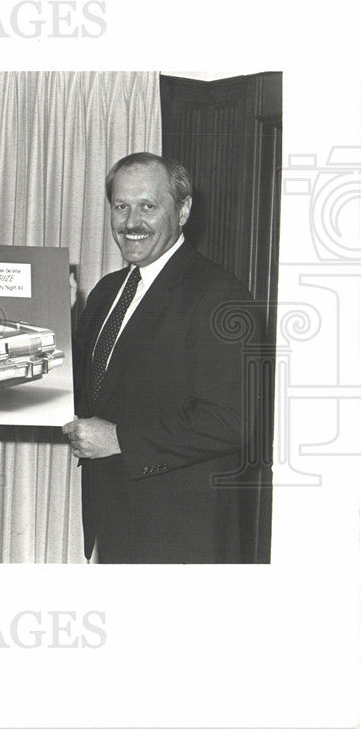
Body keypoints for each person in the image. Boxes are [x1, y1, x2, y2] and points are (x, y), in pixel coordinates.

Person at [62, 152, 255, 564]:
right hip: (115, 524)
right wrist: (55, 319)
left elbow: (231, 421)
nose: (132, 222)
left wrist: (118, 439)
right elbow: (87, 393)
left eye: (148, 206)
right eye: (121, 206)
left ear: (183, 210)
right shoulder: (105, 293)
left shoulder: (219, 294)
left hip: (183, 534)